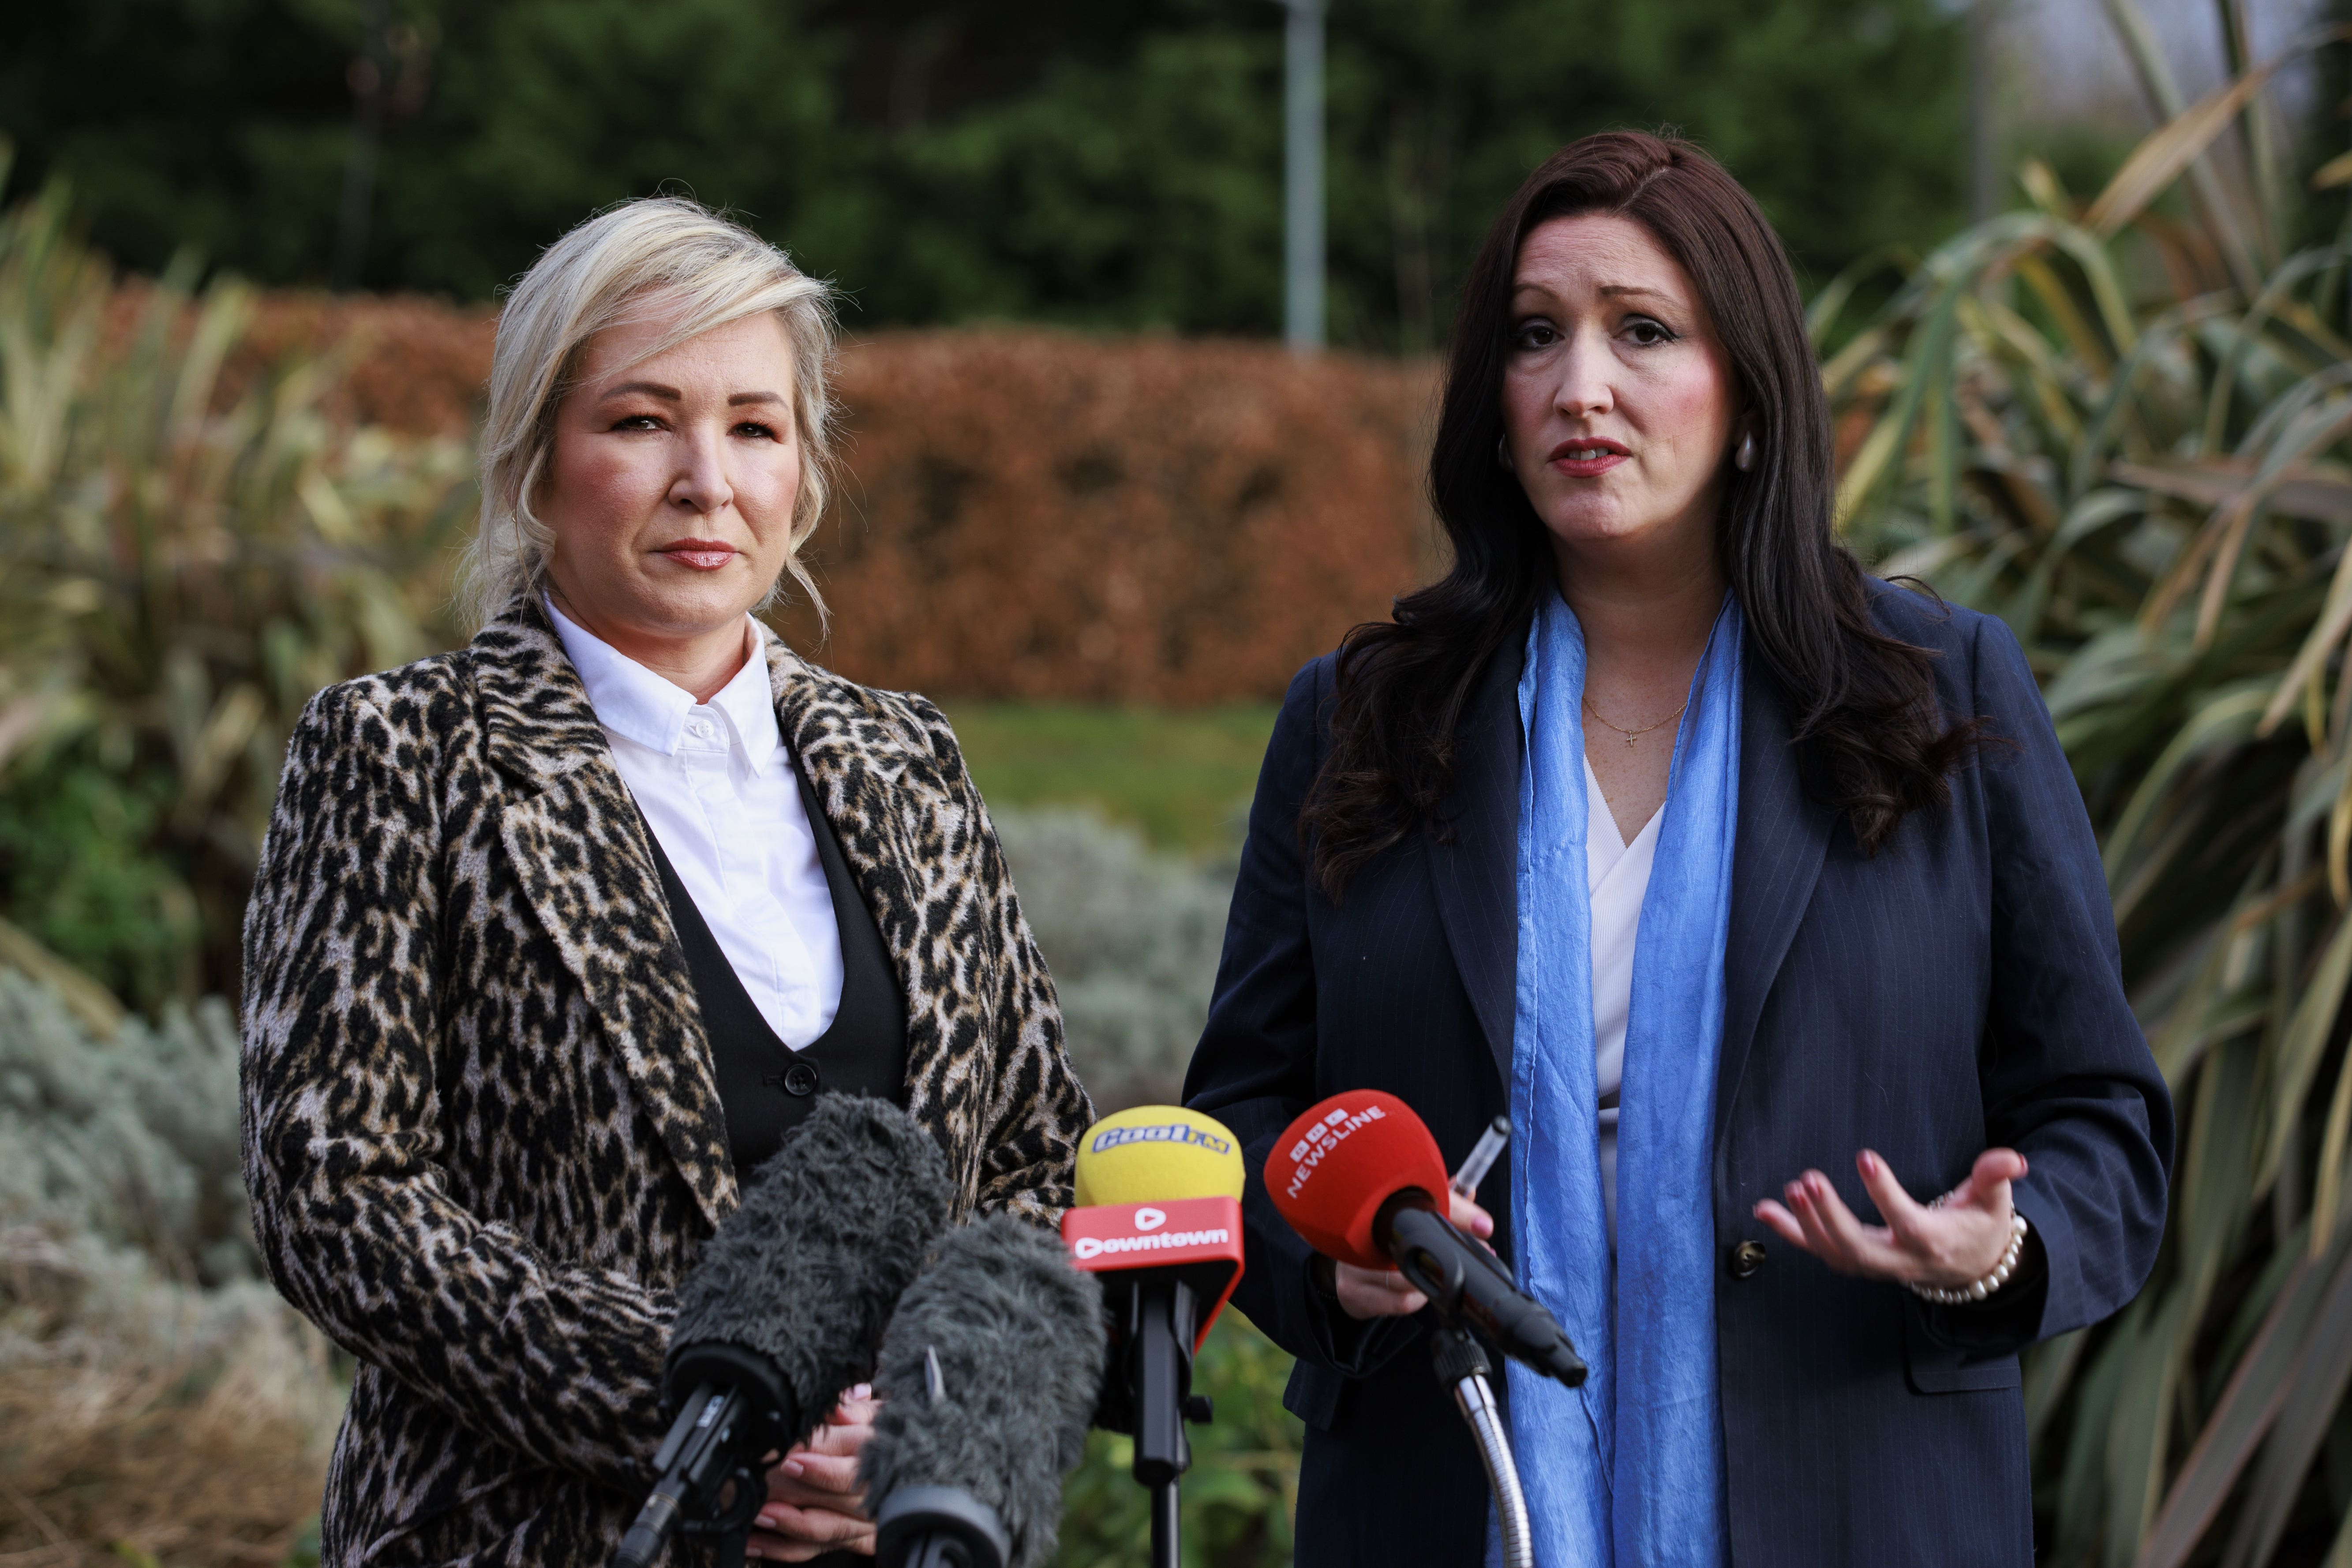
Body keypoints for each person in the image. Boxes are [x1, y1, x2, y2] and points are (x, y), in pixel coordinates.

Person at [1183, 131, 2172, 1567]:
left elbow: (2104, 1123)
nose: (1580, 386)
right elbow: (1246, 1120)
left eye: (1642, 331)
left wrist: (2000, 1251)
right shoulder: (1360, 718)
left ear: (1750, 393)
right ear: (1493, 400)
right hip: (1441, 1498)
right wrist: (1330, 1266)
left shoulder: (1938, 693)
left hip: (1858, 1502)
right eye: (1535, 337)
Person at [240, 197, 1093, 1567]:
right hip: (531, 1534)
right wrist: (711, 1413)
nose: (709, 477)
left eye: (754, 426)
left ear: (802, 469)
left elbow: (1033, 1161)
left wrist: (923, 1443)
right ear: (534, 461)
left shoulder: (908, 756)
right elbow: (334, 1192)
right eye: (641, 421)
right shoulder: (400, 750)